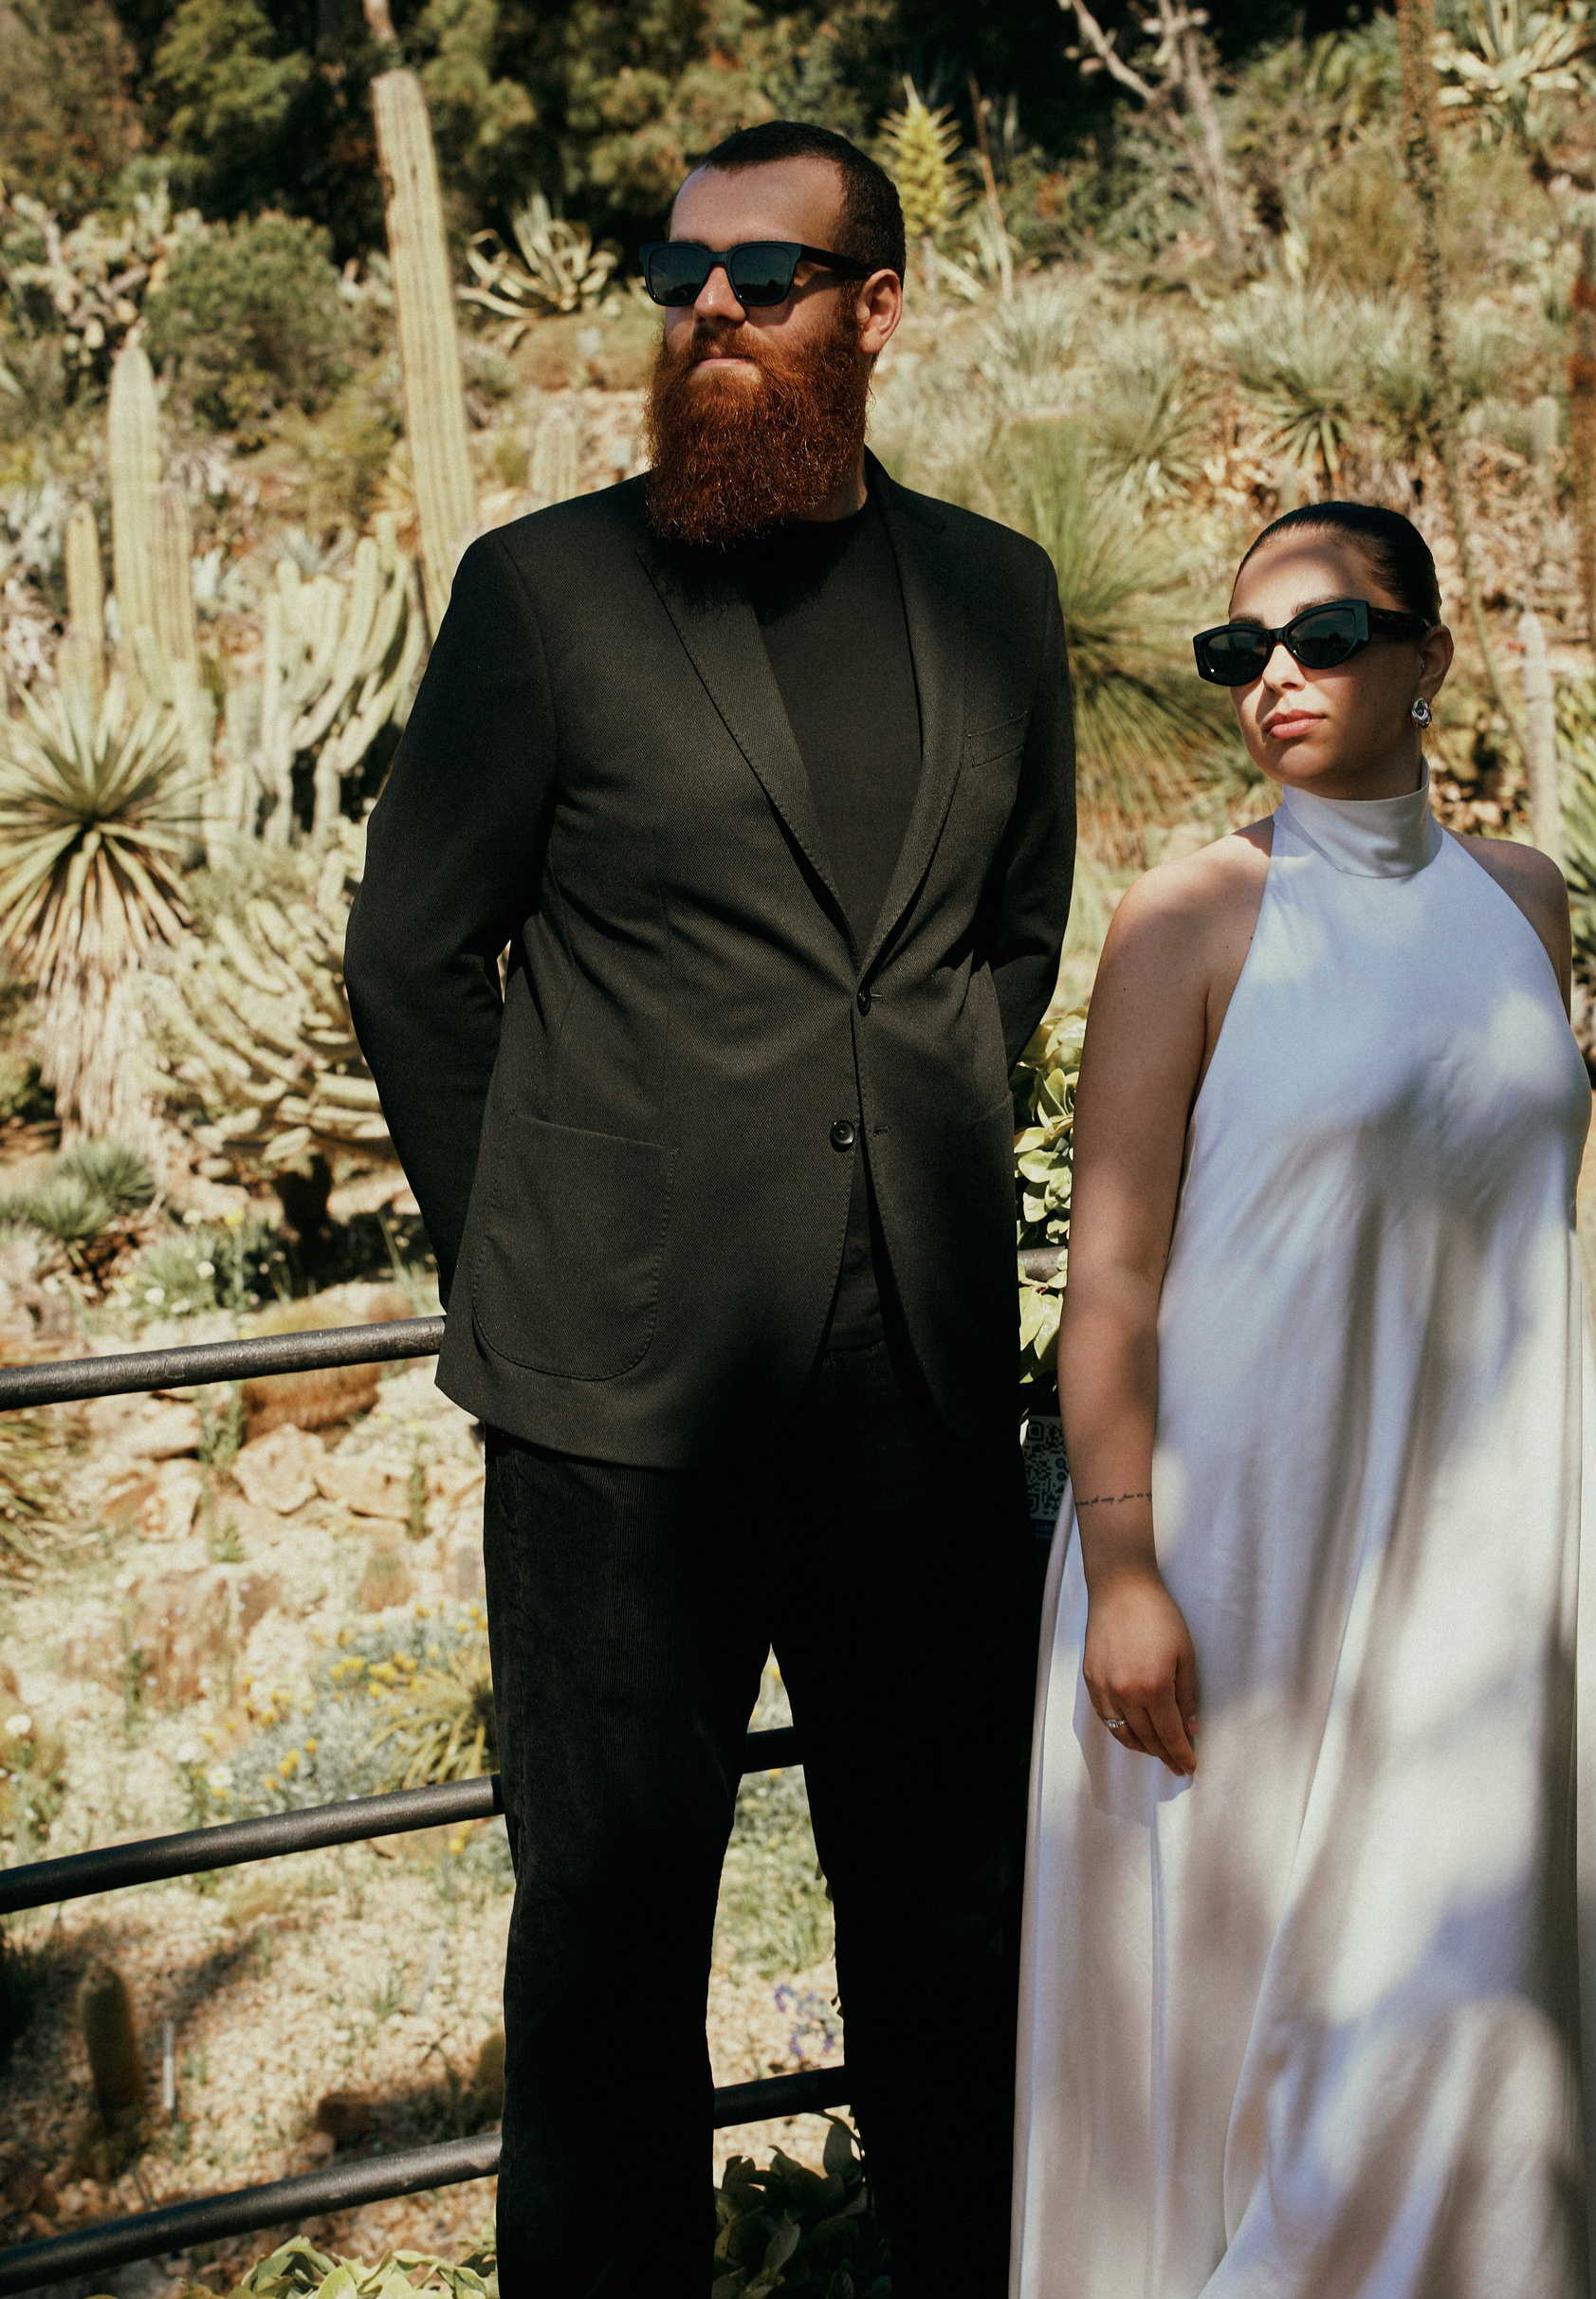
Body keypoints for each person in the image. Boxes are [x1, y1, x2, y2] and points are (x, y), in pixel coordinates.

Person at [343, 120, 1074, 2295]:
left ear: (879, 306)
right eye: (681, 276)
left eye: (768, 275)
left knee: (957, 1936)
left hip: (918, 1403)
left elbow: (1009, 945)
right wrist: (533, 1255)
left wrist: (910, 1148)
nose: (714, 311)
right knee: (607, 1954)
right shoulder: (547, 594)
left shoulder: (998, 595)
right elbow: (412, 957)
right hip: (615, 1414)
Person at [1011, 502, 1596, 2298]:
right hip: (1240, 1566)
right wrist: (1125, 1570)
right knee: (1269, 2048)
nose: (1277, 680)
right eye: (1241, 653)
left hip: (1472, 1573)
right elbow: (1111, 1281)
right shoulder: (1189, 918)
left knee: (1455, 2013)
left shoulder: (1523, 900)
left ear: (1428, 658)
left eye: (1323, 638)